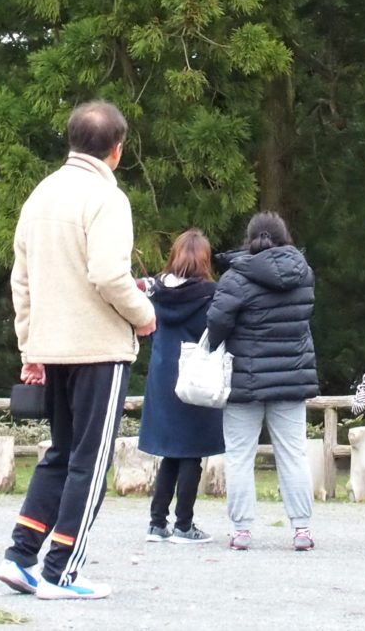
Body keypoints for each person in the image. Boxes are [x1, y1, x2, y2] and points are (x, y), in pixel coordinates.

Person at [0, 100, 156, 602]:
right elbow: (109, 274)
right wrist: (143, 314)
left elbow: (21, 280)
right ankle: (61, 569)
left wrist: (30, 344)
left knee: (61, 453)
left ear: (70, 140)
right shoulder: (107, 198)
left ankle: (21, 555)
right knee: (90, 458)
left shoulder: (40, 195)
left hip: (51, 343)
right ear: (117, 150)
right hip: (97, 346)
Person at [205, 211, 318, 552]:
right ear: (285, 236)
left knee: (240, 455)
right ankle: (301, 529)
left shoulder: (236, 277)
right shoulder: (304, 274)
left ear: (249, 238)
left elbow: (216, 323)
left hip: (245, 378)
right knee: (294, 454)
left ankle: (241, 530)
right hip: (291, 375)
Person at [139, 229, 225, 544]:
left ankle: (156, 522)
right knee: (192, 453)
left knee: (170, 452)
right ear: (204, 260)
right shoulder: (212, 295)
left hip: (163, 375)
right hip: (196, 375)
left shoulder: (155, 292)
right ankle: (184, 525)